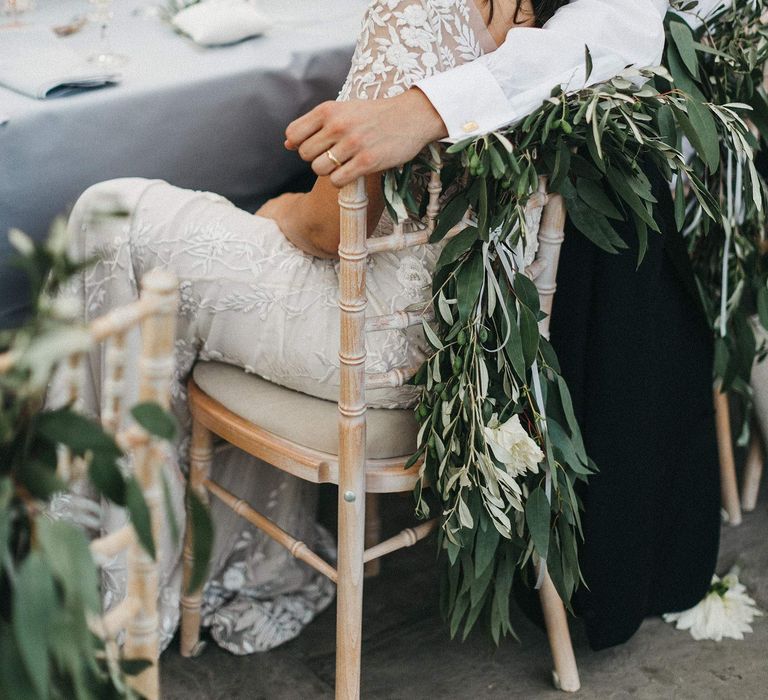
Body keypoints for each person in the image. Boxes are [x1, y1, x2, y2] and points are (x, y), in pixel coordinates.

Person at [60, 0, 553, 656]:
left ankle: (124, 570)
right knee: (195, 267)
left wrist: (283, 210)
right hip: (463, 345)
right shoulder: (551, 20)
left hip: (367, 347)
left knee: (107, 214)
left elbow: (326, 227)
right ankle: (226, 553)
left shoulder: (422, 7)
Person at [285, 0, 728, 650]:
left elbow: (615, 26)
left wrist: (422, 108)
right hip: (495, 298)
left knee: (138, 213)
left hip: (443, 316)